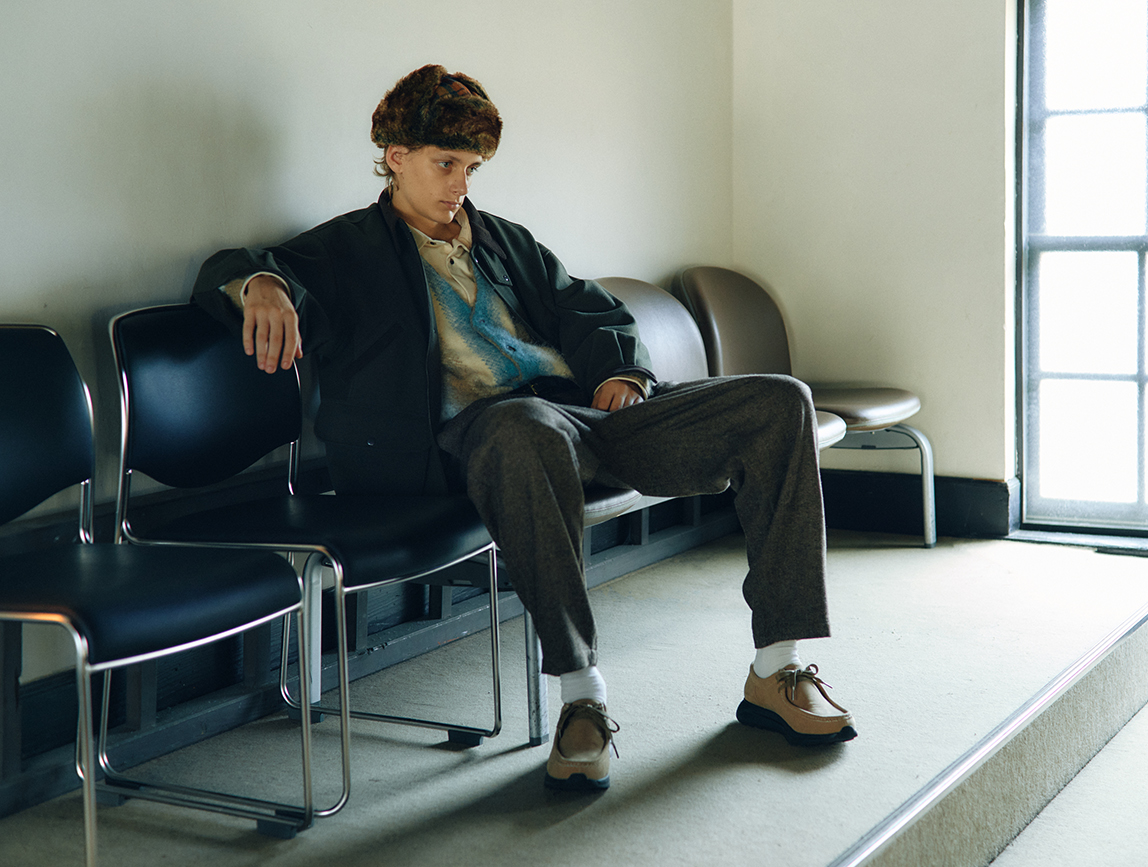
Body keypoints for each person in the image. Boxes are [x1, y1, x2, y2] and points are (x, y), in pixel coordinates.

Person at [192, 64, 855, 793]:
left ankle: (777, 668)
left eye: (472, 168)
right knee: (522, 426)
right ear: (395, 156)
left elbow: (592, 310)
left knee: (780, 402)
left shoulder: (504, 241)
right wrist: (261, 284)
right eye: (446, 163)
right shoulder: (345, 251)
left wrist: (625, 374)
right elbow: (230, 266)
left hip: (581, 419)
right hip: (472, 441)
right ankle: (582, 697)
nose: (460, 184)